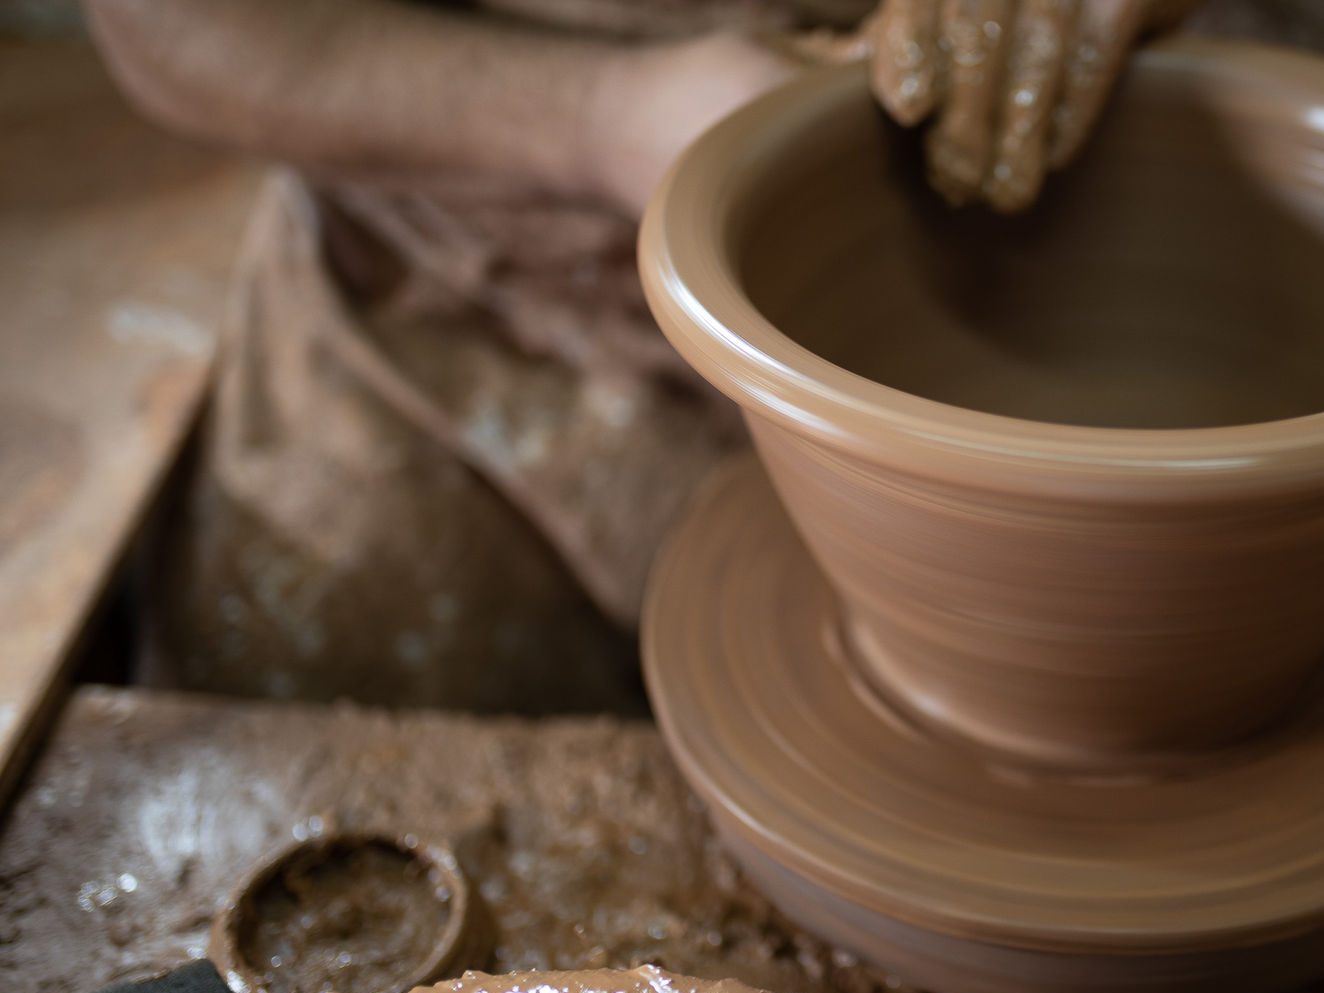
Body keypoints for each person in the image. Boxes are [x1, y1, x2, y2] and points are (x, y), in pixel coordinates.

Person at [82, 0, 1192, 714]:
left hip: (1052, 227)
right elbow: (176, 23)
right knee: (301, 730)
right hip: (455, 281)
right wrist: (597, 118)